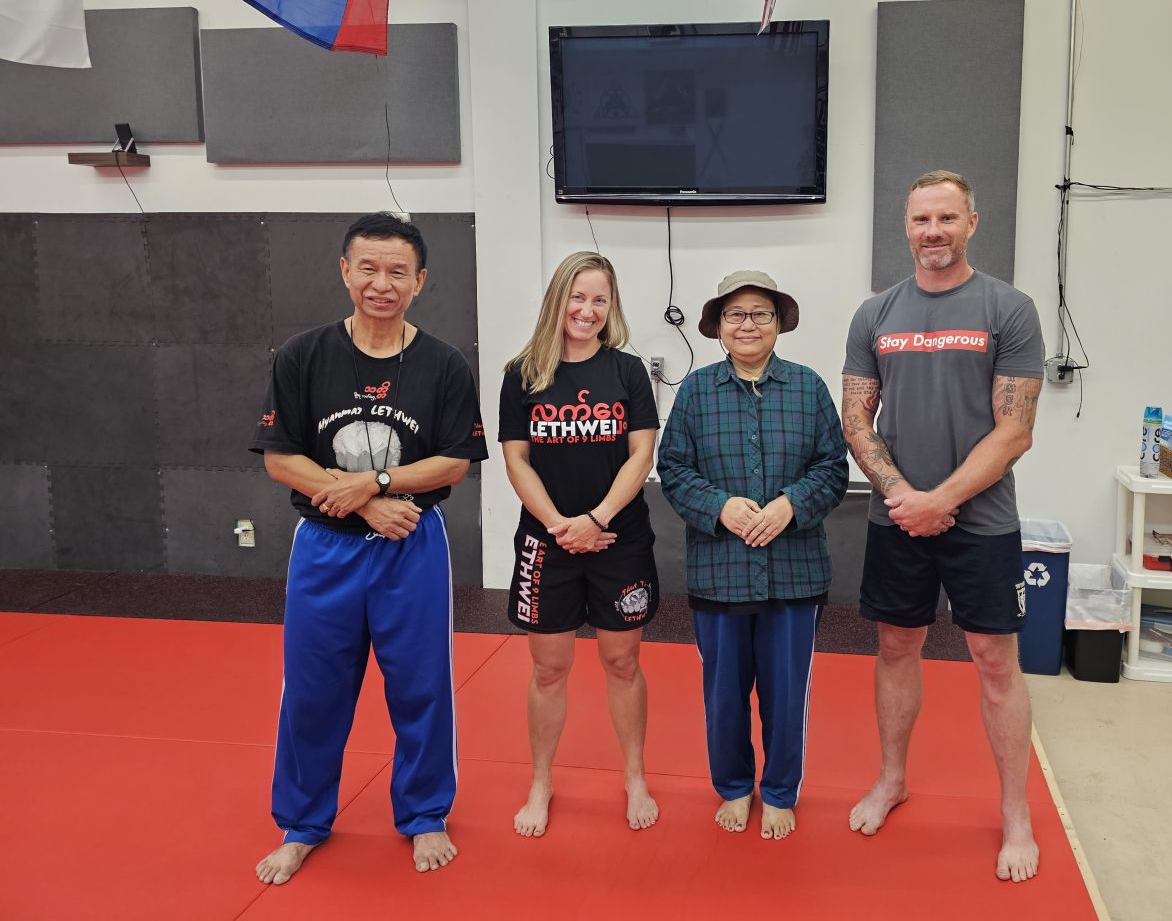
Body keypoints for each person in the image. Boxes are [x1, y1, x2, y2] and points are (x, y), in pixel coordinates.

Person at [250, 212, 488, 885]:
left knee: (421, 686)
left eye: (397, 272)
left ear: (420, 281)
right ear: (345, 271)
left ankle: (424, 814)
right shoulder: (304, 355)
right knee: (312, 690)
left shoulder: (443, 363)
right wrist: (361, 502)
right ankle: (302, 823)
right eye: (369, 268)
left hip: (410, 544)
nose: (382, 283)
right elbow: (280, 458)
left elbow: (454, 462)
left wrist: (378, 483)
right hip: (326, 546)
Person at [841, 170, 1045, 882]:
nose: (934, 231)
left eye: (947, 218)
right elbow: (857, 419)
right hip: (896, 515)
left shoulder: (1008, 308)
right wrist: (904, 495)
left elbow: (1015, 430)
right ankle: (892, 779)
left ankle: (1015, 813)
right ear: (906, 227)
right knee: (897, 646)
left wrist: (942, 500)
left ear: (971, 223)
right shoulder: (876, 314)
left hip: (982, 520)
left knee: (994, 660)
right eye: (922, 219)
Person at [658, 271, 847, 841]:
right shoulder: (696, 391)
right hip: (721, 570)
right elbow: (673, 469)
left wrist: (791, 505)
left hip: (794, 571)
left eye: (760, 313)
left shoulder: (808, 387)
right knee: (724, 694)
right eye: (735, 314)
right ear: (718, 326)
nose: (748, 324)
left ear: (778, 323)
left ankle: (781, 791)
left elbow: (832, 467)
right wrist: (719, 507)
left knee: (787, 694)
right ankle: (735, 787)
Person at [499, 251, 662, 838]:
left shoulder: (627, 371)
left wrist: (596, 518)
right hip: (549, 542)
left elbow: (642, 454)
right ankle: (541, 781)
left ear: (611, 306)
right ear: (557, 300)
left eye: (600, 299)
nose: (587, 310)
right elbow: (516, 459)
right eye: (578, 296)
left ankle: (635, 776)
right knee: (549, 668)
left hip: (618, 537)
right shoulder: (523, 373)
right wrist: (560, 525)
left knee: (622, 661)